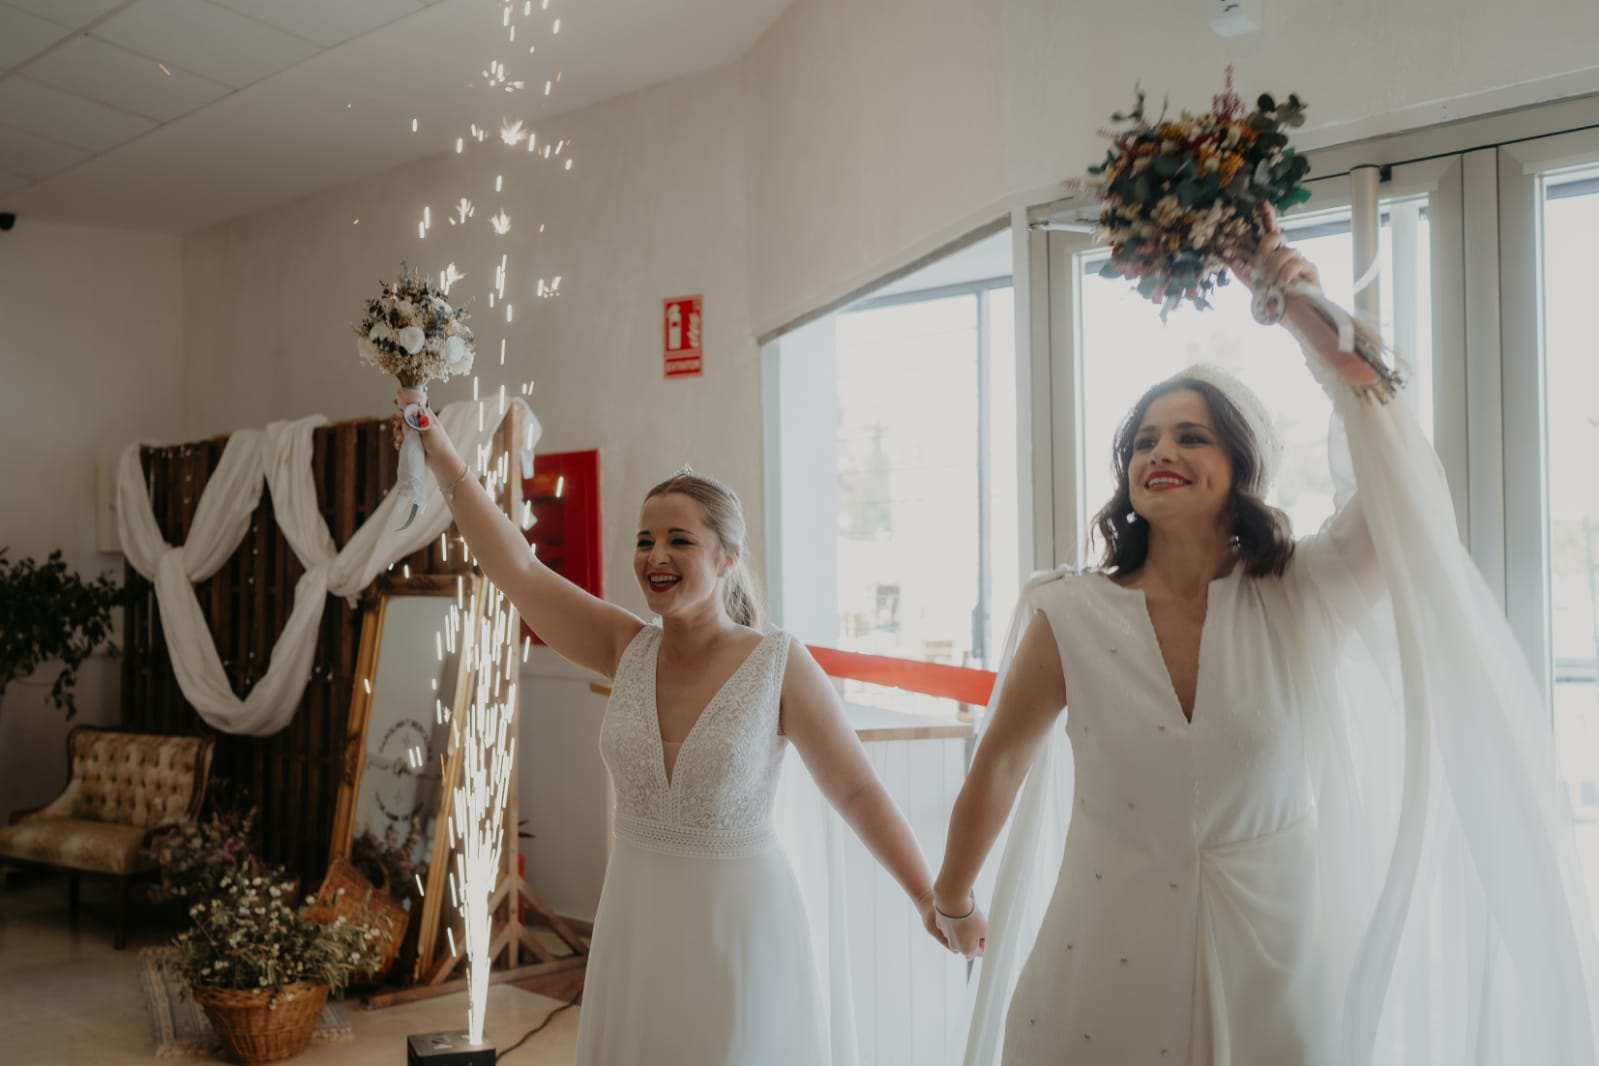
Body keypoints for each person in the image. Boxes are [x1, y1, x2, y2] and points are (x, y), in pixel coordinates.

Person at [931, 218, 1599, 1065]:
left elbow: (1412, 488)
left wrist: (1303, 314)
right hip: (1105, 940)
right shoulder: (1069, 611)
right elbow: (999, 761)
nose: (1158, 453)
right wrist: (952, 894)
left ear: (1241, 465)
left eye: (1188, 436)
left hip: (1275, 946)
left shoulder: (1306, 589)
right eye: (1141, 442)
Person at [393, 398, 947, 1065]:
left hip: (738, 927)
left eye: (678, 540)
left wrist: (928, 895)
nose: (656, 555)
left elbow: (856, 789)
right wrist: (435, 443)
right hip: (637, 920)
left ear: (728, 557)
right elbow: (517, 568)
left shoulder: (776, 662)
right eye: (644, 540)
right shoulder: (624, 647)